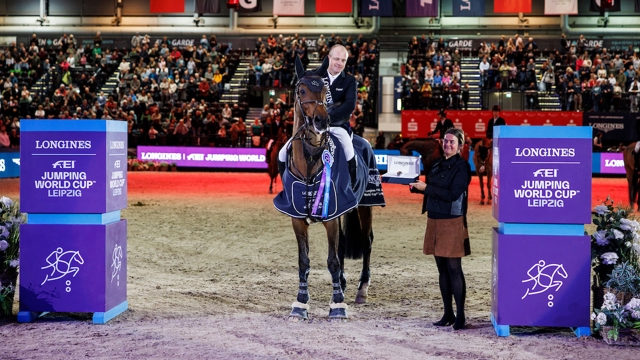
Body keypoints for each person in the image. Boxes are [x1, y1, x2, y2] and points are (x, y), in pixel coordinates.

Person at [409, 128, 471, 331]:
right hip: (434, 219)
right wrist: (416, 188)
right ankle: (448, 313)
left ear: (460, 146)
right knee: (442, 271)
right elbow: (433, 191)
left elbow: (452, 194)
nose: (448, 145)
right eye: (445, 141)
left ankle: (460, 314)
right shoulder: (436, 164)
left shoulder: (462, 167)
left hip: (452, 221)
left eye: (452, 142)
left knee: (454, 270)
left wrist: (426, 189)